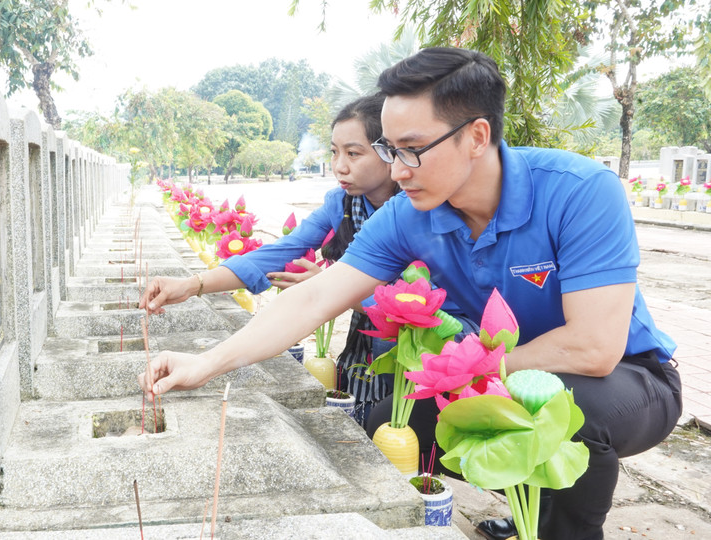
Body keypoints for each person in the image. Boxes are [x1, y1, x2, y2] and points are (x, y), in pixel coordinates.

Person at [140, 47, 682, 540]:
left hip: (627, 379)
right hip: (496, 376)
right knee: (387, 424)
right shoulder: (409, 213)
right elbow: (313, 298)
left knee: (567, 413)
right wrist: (207, 363)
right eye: (389, 150)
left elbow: (593, 347)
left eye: (413, 150)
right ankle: (522, 502)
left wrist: (464, 372)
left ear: (476, 135)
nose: (397, 171)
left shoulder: (579, 192)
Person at [139, 93, 401, 424]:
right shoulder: (343, 203)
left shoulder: (416, 211)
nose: (340, 166)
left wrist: (335, 290)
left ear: (388, 151)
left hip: (412, 354)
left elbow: (424, 303)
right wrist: (192, 285)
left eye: (353, 153)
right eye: (335, 152)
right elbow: (277, 253)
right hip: (364, 348)